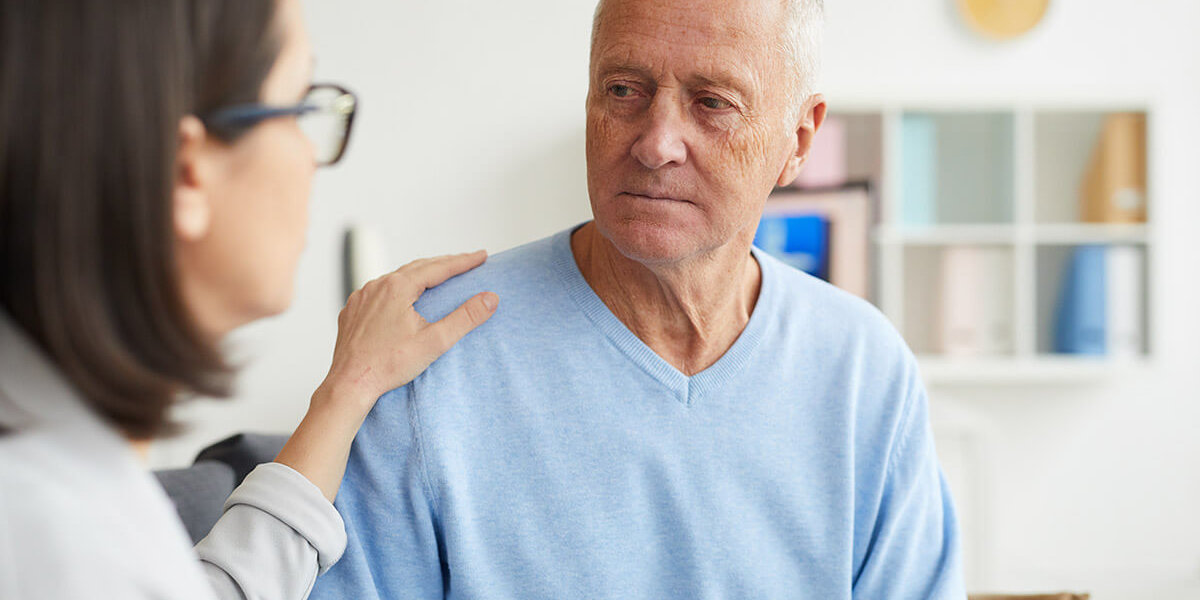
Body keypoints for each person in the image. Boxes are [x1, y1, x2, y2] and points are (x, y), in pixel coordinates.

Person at [312, 0, 966, 598]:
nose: (655, 144)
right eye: (624, 90)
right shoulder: (431, 352)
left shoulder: (864, 371)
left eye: (712, 102)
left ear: (798, 139)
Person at [0, 0, 497, 598]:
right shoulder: (55, 536)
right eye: (299, 106)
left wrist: (350, 388)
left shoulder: (69, 487)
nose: (313, 160)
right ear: (188, 172)